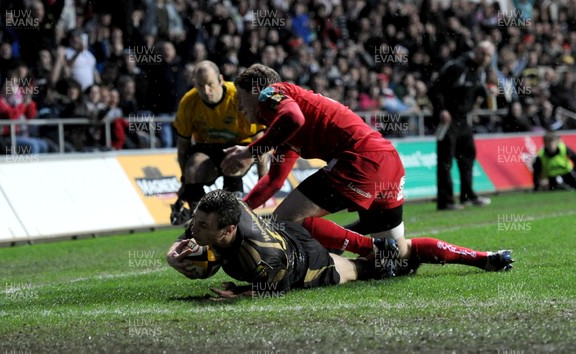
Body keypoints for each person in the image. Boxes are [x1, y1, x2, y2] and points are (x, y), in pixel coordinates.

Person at [220, 63, 513, 276]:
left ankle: (368, 248)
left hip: (360, 160)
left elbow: (293, 118)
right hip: (386, 160)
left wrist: (249, 151)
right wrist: (237, 212)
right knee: (399, 251)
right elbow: (272, 182)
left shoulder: (271, 92)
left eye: (240, 99)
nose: (240, 109)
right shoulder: (283, 130)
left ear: (254, 90)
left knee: (284, 219)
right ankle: (483, 258)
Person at [166, 190, 394, 298]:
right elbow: (197, 222)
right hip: (284, 232)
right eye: (196, 221)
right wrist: (172, 253)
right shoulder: (225, 206)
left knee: (357, 270)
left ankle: (392, 256)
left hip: (303, 262)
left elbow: (277, 289)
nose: (194, 229)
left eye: (203, 226)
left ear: (228, 230)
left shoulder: (263, 256)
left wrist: (238, 294)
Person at [169, 61, 267, 225]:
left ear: (220, 80)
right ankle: (199, 223)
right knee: (192, 169)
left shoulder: (238, 96)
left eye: (210, 84)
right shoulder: (188, 103)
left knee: (233, 162)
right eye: (200, 86)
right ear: (194, 84)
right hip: (207, 146)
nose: (206, 91)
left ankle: (234, 218)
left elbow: (259, 140)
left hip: (240, 144)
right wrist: (185, 181)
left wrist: (263, 178)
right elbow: (183, 147)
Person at [429, 41, 495, 210]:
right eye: (484, 54)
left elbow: (473, 90)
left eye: (489, 56)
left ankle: (467, 196)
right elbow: (434, 88)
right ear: (477, 52)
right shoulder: (457, 66)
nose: (487, 58)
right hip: (448, 120)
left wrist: (488, 91)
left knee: (468, 156)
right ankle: (445, 201)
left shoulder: (479, 70)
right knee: (445, 162)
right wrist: (441, 109)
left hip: (464, 120)